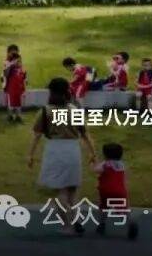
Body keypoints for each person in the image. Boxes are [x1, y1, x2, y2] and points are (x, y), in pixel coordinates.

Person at [28, 77, 97, 237]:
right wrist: (93, 153)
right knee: (72, 189)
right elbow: (85, 134)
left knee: (59, 190)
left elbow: (37, 136)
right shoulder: (74, 109)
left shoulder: (46, 111)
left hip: (55, 150)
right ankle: (74, 220)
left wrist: (30, 155)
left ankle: (68, 225)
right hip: (73, 149)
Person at [93, 142, 139, 240]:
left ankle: (101, 224)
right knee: (124, 210)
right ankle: (130, 223)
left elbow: (96, 170)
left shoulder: (105, 164)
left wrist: (94, 163)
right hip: (120, 191)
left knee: (104, 208)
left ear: (105, 154)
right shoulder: (122, 165)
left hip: (106, 191)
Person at [3, 49, 27, 122]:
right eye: (16, 61)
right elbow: (5, 74)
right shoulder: (10, 70)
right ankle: (10, 116)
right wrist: (10, 65)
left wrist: (24, 90)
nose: (18, 63)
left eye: (19, 61)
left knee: (19, 105)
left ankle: (18, 116)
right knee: (11, 104)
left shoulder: (22, 70)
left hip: (19, 91)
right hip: (11, 91)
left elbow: (24, 80)